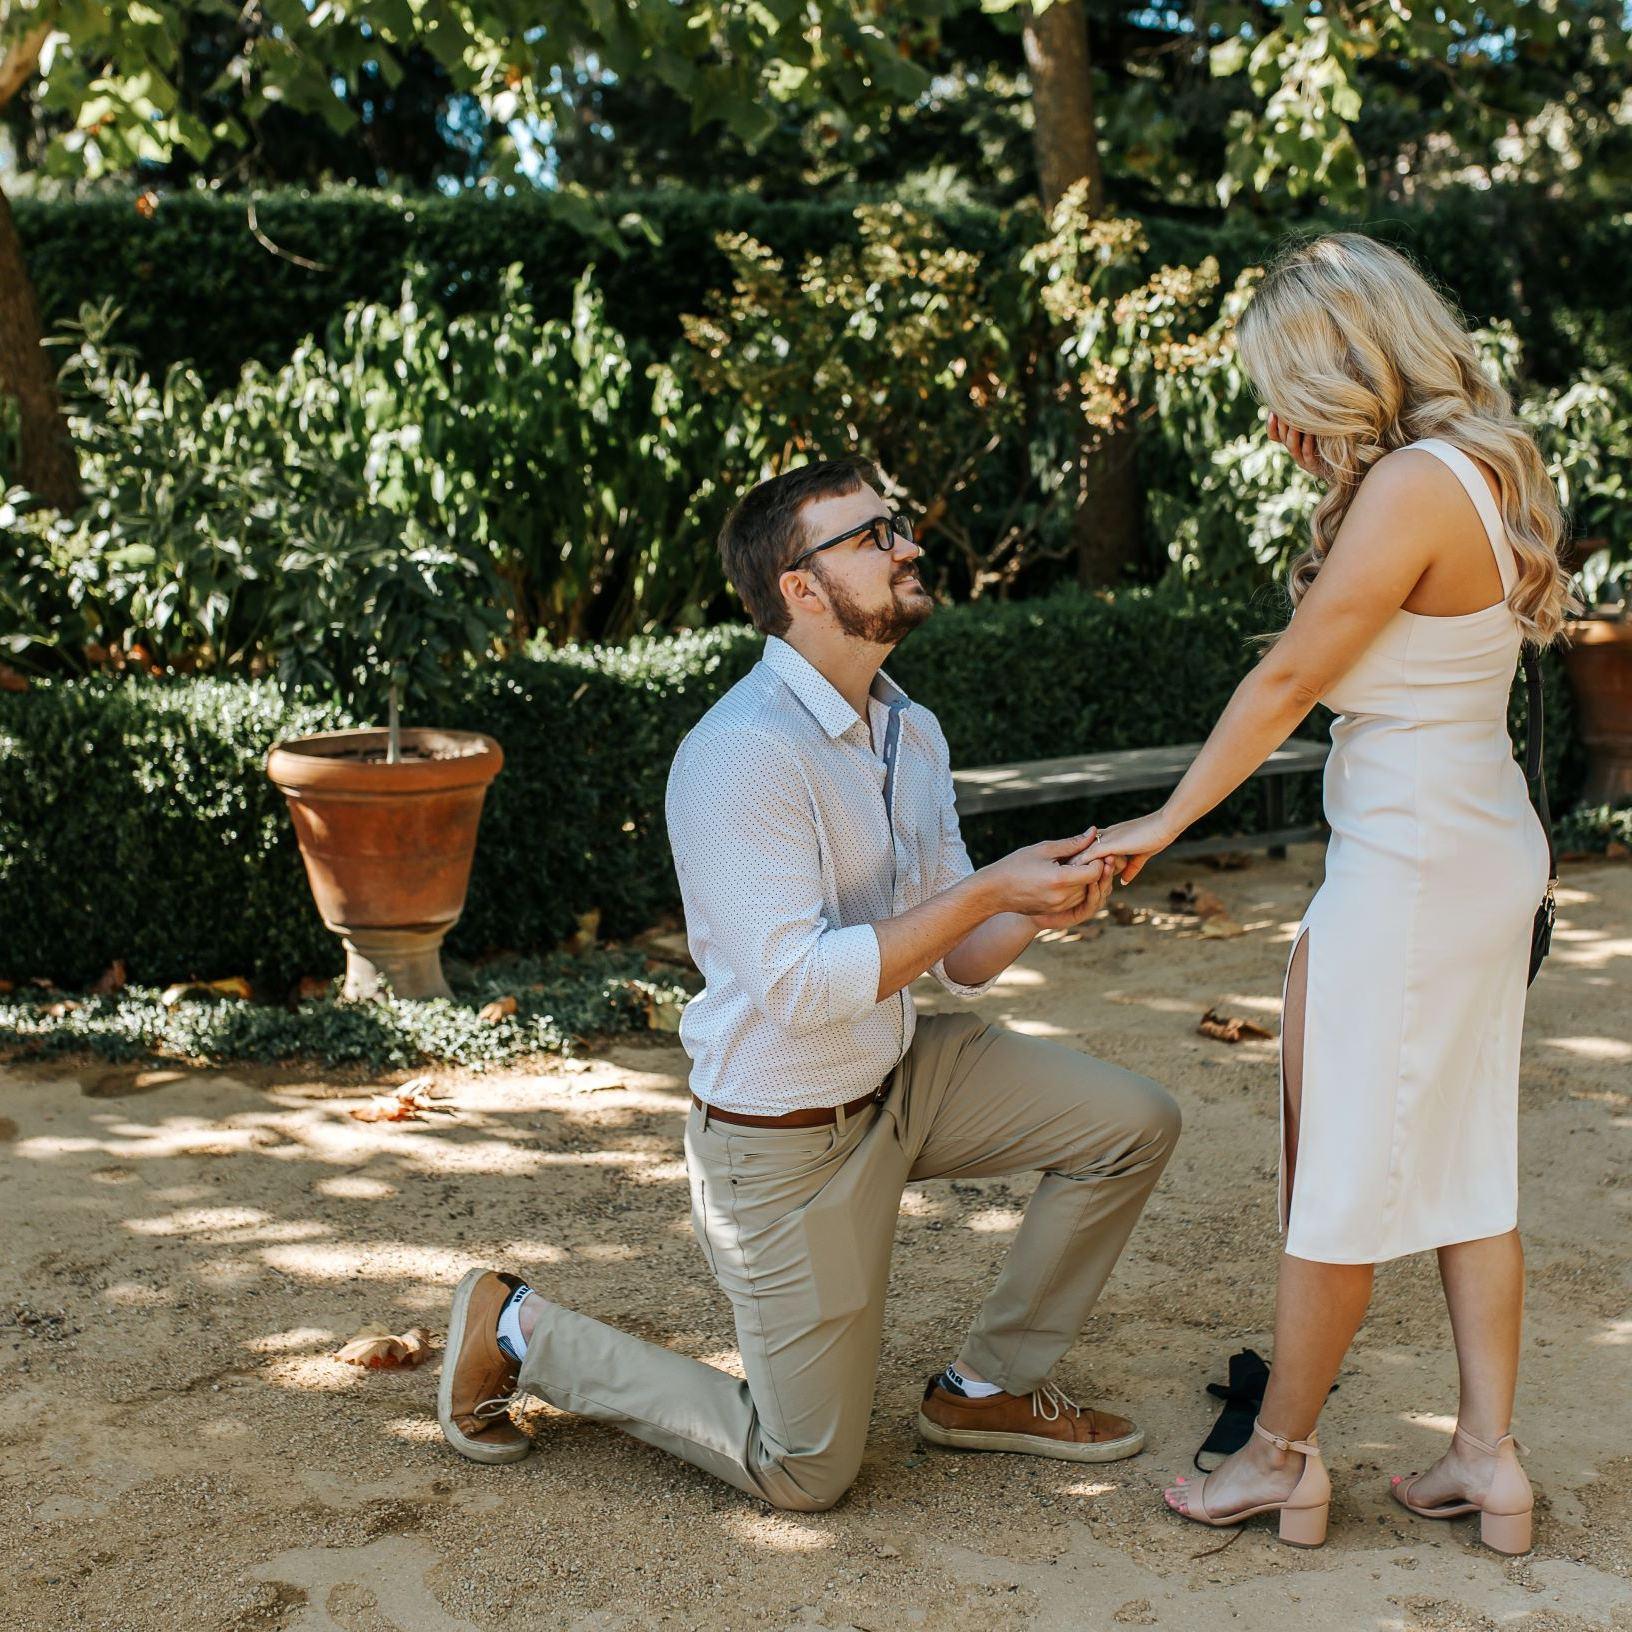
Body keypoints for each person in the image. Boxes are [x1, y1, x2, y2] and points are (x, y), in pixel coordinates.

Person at [436, 456, 1180, 1512]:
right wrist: (986, 897)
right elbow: (798, 988)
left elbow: (962, 958)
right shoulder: (739, 753)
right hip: (783, 1143)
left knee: (1133, 1122)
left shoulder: (908, 729)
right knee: (807, 1472)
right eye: (876, 535)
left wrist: (1047, 899)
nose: (908, 546)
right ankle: (514, 1328)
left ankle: (986, 1387)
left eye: (899, 525)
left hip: (902, 1074)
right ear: (801, 585)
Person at [1079, 233, 1573, 1554]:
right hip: (1474, 846)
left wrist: (1165, 819)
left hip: (1410, 871)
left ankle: (1279, 1459)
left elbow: (1290, 680)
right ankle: (1487, 1455)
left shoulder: (1413, 481)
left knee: (1337, 1176)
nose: (1278, 425)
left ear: (1346, 365)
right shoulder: (1473, 470)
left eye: (1284, 392)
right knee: (1467, 1163)